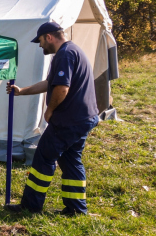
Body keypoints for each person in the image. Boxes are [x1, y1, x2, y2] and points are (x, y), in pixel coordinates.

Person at [5, 22, 99, 216]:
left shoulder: (64, 54)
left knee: (43, 157)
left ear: (48, 37)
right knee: (71, 160)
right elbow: (50, 83)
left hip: (68, 120)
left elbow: (62, 88)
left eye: (39, 41)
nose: (40, 46)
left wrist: (49, 110)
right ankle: (76, 208)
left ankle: (31, 206)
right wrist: (22, 91)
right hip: (84, 118)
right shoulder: (72, 50)